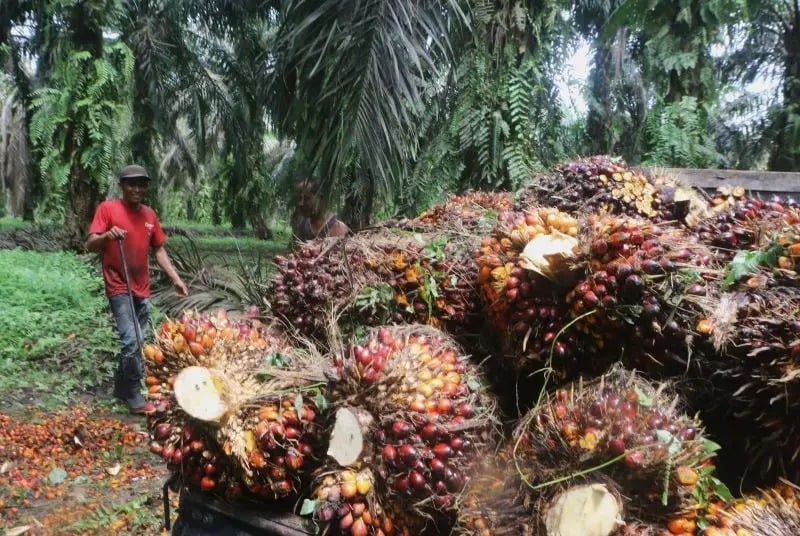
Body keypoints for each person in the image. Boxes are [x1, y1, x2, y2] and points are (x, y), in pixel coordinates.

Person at [85, 164, 188, 413]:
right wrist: (107, 235)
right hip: (118, 285)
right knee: (131, 341)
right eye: (131, 184)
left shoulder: (149, 215)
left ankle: (120, 387)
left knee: (139, 340)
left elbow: (159, 249)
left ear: (146, 188)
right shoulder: (108, 209)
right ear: (122, 186)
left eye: (141, 184)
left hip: (142, 288)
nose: (136, 189)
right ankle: (133, 392)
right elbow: (90, 244)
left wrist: (175, 278)